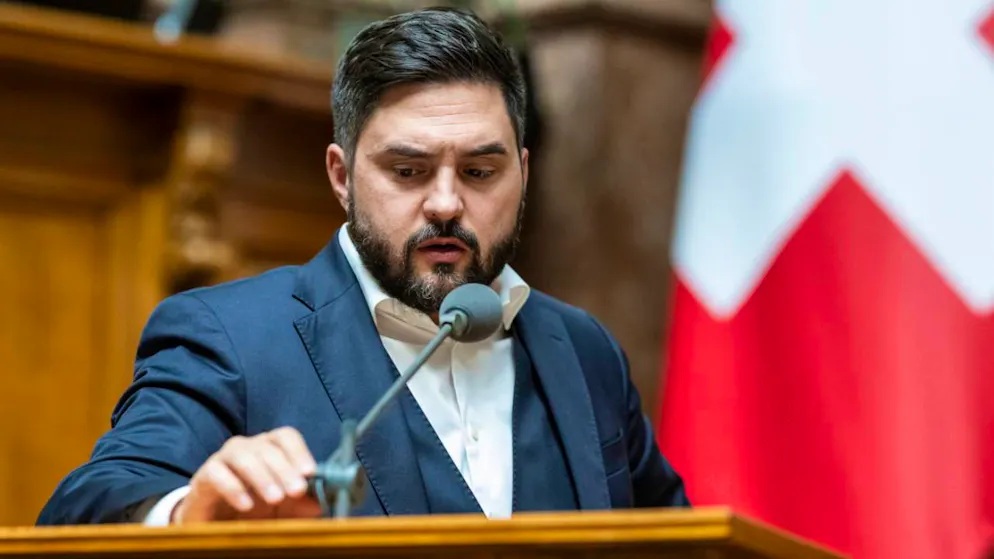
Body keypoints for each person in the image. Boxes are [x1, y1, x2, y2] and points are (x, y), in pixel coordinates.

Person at [37, 7, 689, 525]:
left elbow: (676, 537)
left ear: (524, 171)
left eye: (480, 171)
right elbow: (90, 502)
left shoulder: (583, 350)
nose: (444, 202)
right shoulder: (230, 338)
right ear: (342, 177)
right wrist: (186, 511)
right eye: (408, 170)